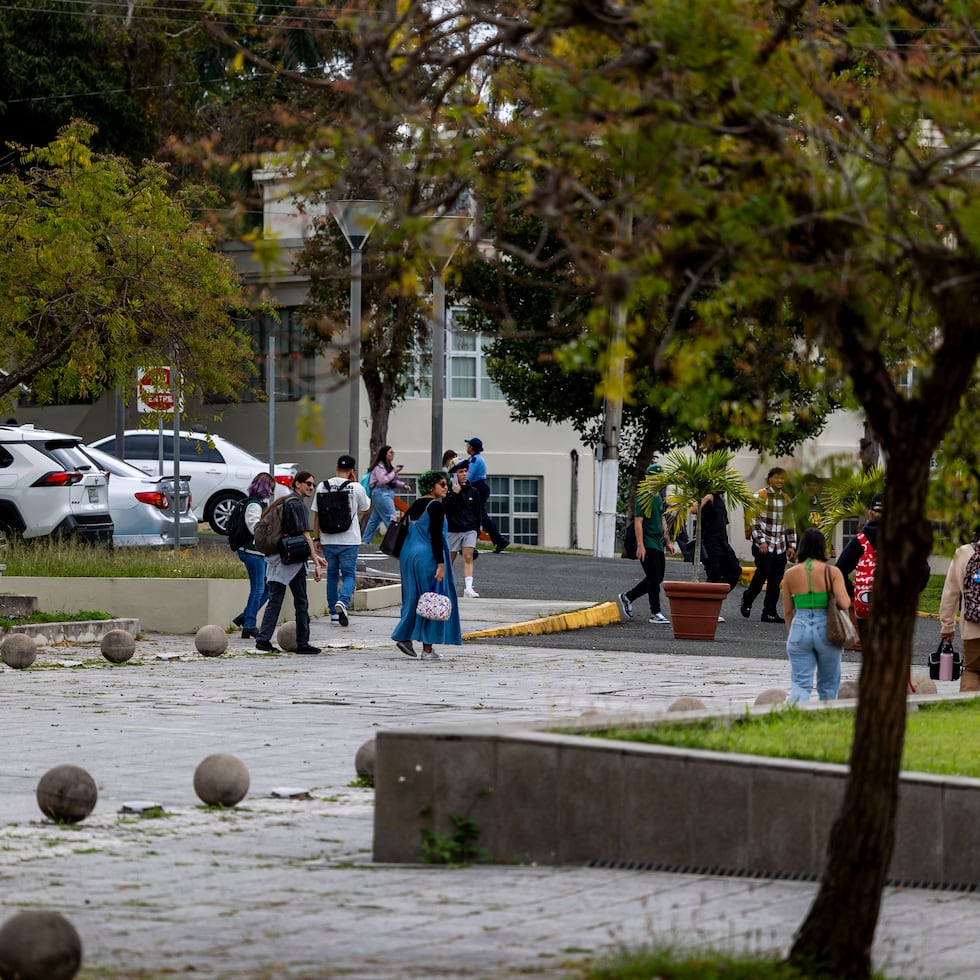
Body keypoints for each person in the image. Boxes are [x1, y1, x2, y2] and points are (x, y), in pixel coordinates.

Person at [835, 493, 929, 645]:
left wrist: (854, 592)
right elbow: (923, 572)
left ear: (871, 514)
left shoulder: (860, 541)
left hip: (866, 608)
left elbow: (838, 571)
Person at [392, 469, 463, 661]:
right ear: (431, 486)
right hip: (427, 557)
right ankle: (427, 649)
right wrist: (441, 564)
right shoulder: (435, 506)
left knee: (413, 599)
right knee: (431, 599)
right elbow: (437, 538)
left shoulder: (415, 504)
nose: (446, 487)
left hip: (408, 556)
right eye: (442, 484)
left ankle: (404, 636)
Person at [254, 471, 326, 655]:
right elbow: (305, 536)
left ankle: (263, 639)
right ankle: (302, 643)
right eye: (308, 484)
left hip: (279, 557)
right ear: (297, 484)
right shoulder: (297, 505)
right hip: (292, 560)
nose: (311, 487)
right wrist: (315, 561)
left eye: (312, 484)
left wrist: (315, 558)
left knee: (275, 599)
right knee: (301, 602)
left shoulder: (284, 501)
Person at [780, 528, 851, 702]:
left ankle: (793, 718)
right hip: (826, 628)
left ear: (801, 548)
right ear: (822, 548)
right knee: (828, 685)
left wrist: (794, 632)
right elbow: (845, 604)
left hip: (799, 626)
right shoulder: (832, 573)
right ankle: (825, 720)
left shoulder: (790, 574)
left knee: (800, 685)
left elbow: (788, 612)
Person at [311, 455, 371, 627]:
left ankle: (333, 613)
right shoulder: (356, 487)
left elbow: (317, 515)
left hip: (328, 538)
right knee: (349, 575)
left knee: (331, 575)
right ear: (352, 471)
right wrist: (356, 484)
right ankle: (343, 602)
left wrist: (317, 538)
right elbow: (366, 509)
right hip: (349, 540)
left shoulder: (323, 486)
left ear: (336, 466)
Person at [617, 463, 677, 624]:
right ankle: (655, 612)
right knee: (653, 577)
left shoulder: (658, 497)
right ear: (649, 479)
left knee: (657, 578)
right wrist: (640, 545)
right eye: (656, 478)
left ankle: (628, 596)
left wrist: (668, 541)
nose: (659, 481)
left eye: (660, 478)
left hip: (658, 543)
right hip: (647, 542)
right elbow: (638, 522)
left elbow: (663, 518)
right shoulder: (643, 496)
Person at [741, 467, 797, 623]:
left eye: (782, 478)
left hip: (780, 545)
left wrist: (792, 545)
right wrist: (761, 542)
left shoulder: (786, 499)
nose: (780, 481)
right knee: (763, 572)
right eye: (777, 478)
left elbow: (790, 523)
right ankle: (748, 598)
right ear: (770, 479)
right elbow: (754, 520)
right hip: (763, 544)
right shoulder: (760, 496)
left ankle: (769, 612)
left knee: (776, 579)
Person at [233, 471, 275, 639]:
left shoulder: (254, 503)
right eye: (270, 488)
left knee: (266, 588)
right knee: (258, 589)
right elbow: (254, 528)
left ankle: (246, 617)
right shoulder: (254, 505)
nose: (271, 492)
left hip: (254, 552)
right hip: (252, 551)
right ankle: (249, 624)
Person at [939, 529, 980, 691]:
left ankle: (968, 711)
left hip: (973, 630)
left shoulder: (962, 554)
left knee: (972, 671)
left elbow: (950, 594)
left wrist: (947, 626)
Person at [698, 489, 742, 614]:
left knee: (735, 571)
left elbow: (723, 523)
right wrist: (706, 496)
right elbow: (694, 509)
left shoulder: (720, 500)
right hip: (710, 544)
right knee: (714, 576)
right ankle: (708, 609)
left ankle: (711, 602)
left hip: (723, 543)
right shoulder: (709, 497)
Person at [464, 437, 509, 554]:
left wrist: (461, 485)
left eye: (468, 445)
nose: (467, 447)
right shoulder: (476, 458)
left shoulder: (474, 460)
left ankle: (499, 540)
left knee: (480, 516)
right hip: (479, 487)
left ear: (472, 448)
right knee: (477, 516)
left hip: (477, 488)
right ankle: (497, 540)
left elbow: (469, 476)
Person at [445, 458, 481, 597]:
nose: (464, 474)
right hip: (453, 529)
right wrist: (454, 493)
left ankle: (468, 588)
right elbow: (446, 509)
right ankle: (445, 586)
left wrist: (476, 530)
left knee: (468, 556)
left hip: (469, 528)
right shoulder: (448, 490)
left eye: (466, 471)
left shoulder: (473, 491)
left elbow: (477, 512)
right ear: (454, 474)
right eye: (461, 472)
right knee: (449, 559)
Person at [362, 445, 410, 544]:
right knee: (391, 517)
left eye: (393, 452)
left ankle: (365, 540)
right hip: (381, 493)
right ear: (385, 454)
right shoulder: (379, 467)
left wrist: (403, 485)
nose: (393, 454)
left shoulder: (389, 467)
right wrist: (394, 471)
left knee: (375, 519)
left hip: (386, 493)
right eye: (390, 452)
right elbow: (383, 480)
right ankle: (395, 541)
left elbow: (393, 481)